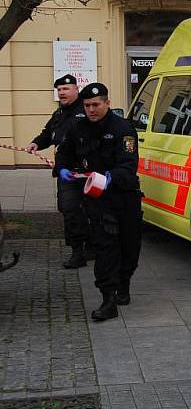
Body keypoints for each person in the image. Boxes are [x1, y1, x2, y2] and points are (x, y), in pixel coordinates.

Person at [55, 83, 142, 321]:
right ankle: (108, 299)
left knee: (129, 248)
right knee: (104, 248)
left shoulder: (123, 129)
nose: (91, 109)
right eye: (87, 105)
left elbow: (128, 164)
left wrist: (112, 176)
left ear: (107, 104)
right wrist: (62, 168)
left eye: (96, 104)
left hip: (124, 196)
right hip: (96, 198)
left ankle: (123, 285)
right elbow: (64, 152)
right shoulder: (78, 127)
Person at [27, 74, 89, 269]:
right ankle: (78, 252)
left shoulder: (86, 110)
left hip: (87, 172)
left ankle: (94, 247)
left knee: (93, 210)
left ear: (76, 90)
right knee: (69, 211)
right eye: (59, 90)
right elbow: (48, 133)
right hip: (66, 173)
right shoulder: (59, 113)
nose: (62, 93)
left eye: (66, 89)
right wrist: (36, 142)